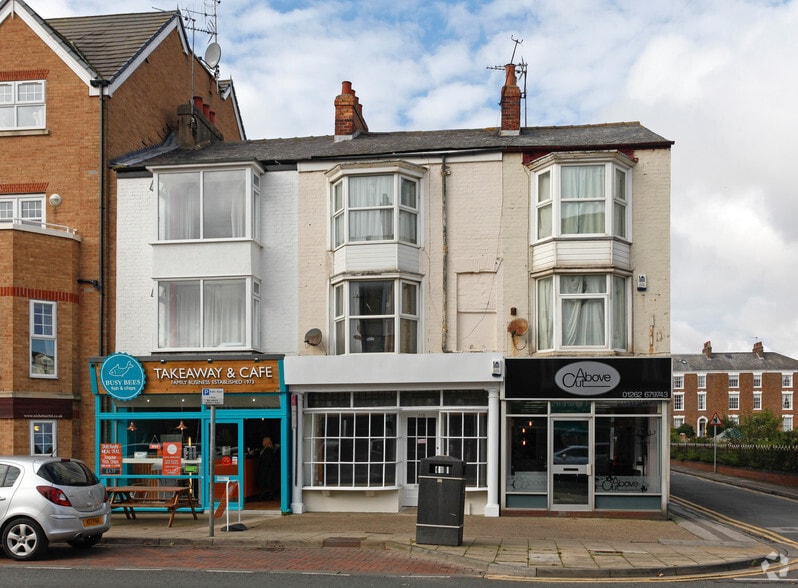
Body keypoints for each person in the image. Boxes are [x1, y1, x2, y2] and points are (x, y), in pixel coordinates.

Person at [252, 436, 278, 500]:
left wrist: (264, 468)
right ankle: (266, 495)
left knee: (268, 482)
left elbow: (267, 460)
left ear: (267, 442)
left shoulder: (268, 450)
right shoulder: (265, 449)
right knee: (267, 482)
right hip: (266, 469)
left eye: (264, 441)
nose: (262, 442)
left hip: (267, 469)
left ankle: (267, 496)